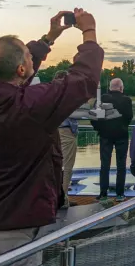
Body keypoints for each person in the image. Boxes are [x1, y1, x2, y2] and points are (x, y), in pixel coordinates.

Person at [0, 9, 104, 265]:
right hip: (13, 231)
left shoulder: (15, 100)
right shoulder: (26, 107)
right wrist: (89, 33)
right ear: (22, 69)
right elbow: (82, 80)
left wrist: (48, 39)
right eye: (29, 57)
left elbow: (10, 70)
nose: (32, 59)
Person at [91, 78, 133, 202]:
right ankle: (120, 194)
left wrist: (100, 128)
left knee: (104, 165)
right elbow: (129, 117)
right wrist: (123, 126)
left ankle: (103, 194)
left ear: (110, 87)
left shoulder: (102, 99)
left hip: (105, 136)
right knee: (121, 165)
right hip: (122, 135)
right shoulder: (126, 100)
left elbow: (93, 116)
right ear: (121, 88)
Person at [54, 70, 80, 209]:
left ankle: (61, 197)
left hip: (55, 131)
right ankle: (62, 200)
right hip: (66, 131)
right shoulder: (66, 96)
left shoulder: (51, 93)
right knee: (66, 167)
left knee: (57, 166)